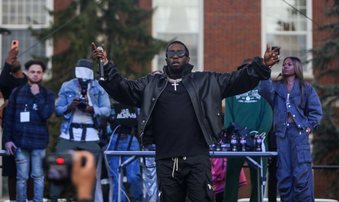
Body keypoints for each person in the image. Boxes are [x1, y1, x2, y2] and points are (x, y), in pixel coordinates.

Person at [93, 41, 279, 202]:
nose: (175, 56)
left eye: (180, 53)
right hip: (166, 158)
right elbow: (124, 88)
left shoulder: (205, 81)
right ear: (165, 59)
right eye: (170, 53)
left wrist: (262, 66)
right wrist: (106, 65)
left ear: (188, 58)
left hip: (197, 158)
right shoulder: (151, 83)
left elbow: (235, 80)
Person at [259, 56, 323, 202]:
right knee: (284, 177)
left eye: (289, 64)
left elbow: (316, 111)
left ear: (297, 67)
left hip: (298, 134)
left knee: (301, 175)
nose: (285, 66)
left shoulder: (306, 88)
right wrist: (266, 67)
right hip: (281, 135)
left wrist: (309, 127)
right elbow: (263, 90)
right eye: (283, 64)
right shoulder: (275, 87)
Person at [49, 59, 111, 201]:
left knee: (88, 175)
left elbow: (107, 110)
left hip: (90, 136)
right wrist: (69, 107)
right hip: (68, 135)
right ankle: (53, 198)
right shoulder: (67, 86)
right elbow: (57, 109)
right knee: (58, 170)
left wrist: (92, 109)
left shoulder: (98, 88)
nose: (82, 82)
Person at [3, 60, 55, 202]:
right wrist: (7, 140)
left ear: (43, 74)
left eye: (39, 72)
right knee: (21, 177)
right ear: (26, 73)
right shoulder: (16, 92)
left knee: (38, 176)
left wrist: (37, 95)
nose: (36, 75)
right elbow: (8, 118)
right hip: (20, 142)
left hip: (38, 144)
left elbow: (46, 114)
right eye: (32, 72)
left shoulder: (47, 94)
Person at [222, 59, 273, 202]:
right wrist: (231, 132)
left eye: (251, 69)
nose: (249, 72)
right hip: (236, 141)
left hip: (258, 142)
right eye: (245, 69)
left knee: (258, 178)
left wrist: (259, 133)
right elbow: (228, 115)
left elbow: (268, 115)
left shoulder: (264, 89)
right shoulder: (233, 90)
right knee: (231, 177)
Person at [0, 44, 32, 202]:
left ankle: (31, 199)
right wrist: (7, 62)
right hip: (11, 129)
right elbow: (1, 83)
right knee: (11, 170)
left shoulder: (28, 80)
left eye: (14, 59)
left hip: (28, 130)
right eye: (10, 61)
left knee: (32, 168)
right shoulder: (7, 81)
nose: (14, 61)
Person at [105, 101, 143, 202]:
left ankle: (139, 199)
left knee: (133, 177)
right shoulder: (110, 103)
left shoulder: (134, 100)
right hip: (114, 139)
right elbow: (102, 120)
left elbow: (142, 122)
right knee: (116, 179)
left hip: (131, 138)